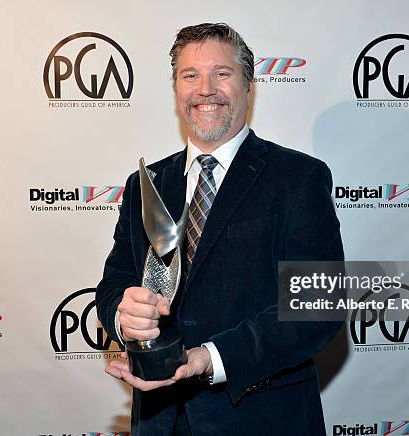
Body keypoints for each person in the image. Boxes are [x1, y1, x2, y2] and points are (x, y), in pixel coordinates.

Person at [96, 22, 343, 435]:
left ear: (249, 85)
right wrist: (125, 317)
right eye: (190, 75)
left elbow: (315, 308)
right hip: (159, 421)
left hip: (259, 419)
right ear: (176, 89)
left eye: (221, 74)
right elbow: (115, 281)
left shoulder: (297, 177)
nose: (205, 89)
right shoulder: (147, 183)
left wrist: (210, 357)